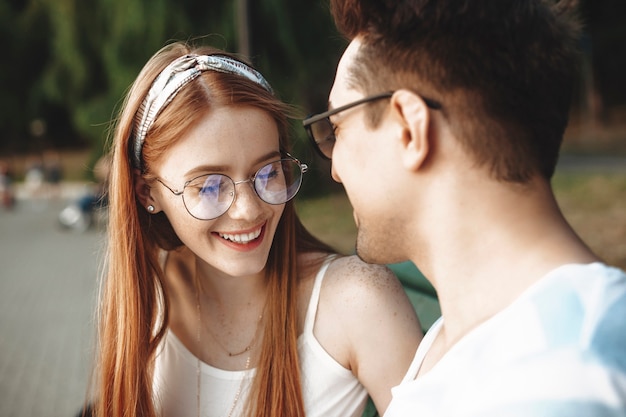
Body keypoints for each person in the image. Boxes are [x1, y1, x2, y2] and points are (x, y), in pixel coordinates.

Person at [302, 1, 626, 415]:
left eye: (338, 127)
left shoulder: (562, 375)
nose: (337, 171)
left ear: (409, 128)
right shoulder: (456, 345)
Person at [85, 41, 422, 417]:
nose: (248, 211)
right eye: (210, 186)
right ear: (148, 192)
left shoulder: (356, 300)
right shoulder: (148, 297)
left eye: (268, 171)